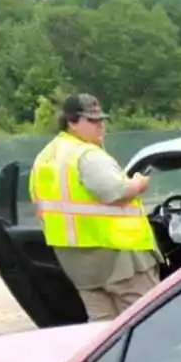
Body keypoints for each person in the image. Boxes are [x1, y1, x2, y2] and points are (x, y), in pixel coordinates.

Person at [29, 93, 161, 319]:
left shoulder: (45, 157)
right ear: (71, 122)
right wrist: (138, 184)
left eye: (101, 119)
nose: (100, 125)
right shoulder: (87, 155)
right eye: (91, 120)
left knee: (102, 327)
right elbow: (115, 192)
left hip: (77, 260)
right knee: (145, 318)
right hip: (117, 254)